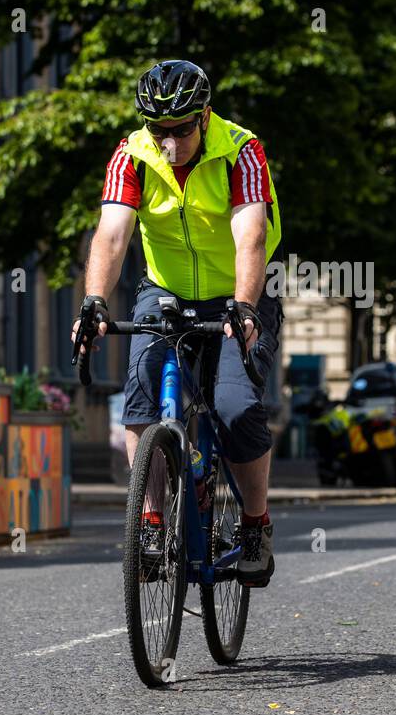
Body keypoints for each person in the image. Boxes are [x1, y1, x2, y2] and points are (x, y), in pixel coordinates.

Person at [69, 60, 284, 586]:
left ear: (203, 116)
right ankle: (149, 522)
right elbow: (112, 235)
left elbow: (250, 236)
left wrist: (245, 306)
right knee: (141, 402)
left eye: (181, 129)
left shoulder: (241, 150)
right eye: (157, 129)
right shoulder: (132, 155)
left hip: (238, 294)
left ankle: (254, 524)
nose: (168, 141)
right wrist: (95, 300)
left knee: (234, 408)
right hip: (164, 292)